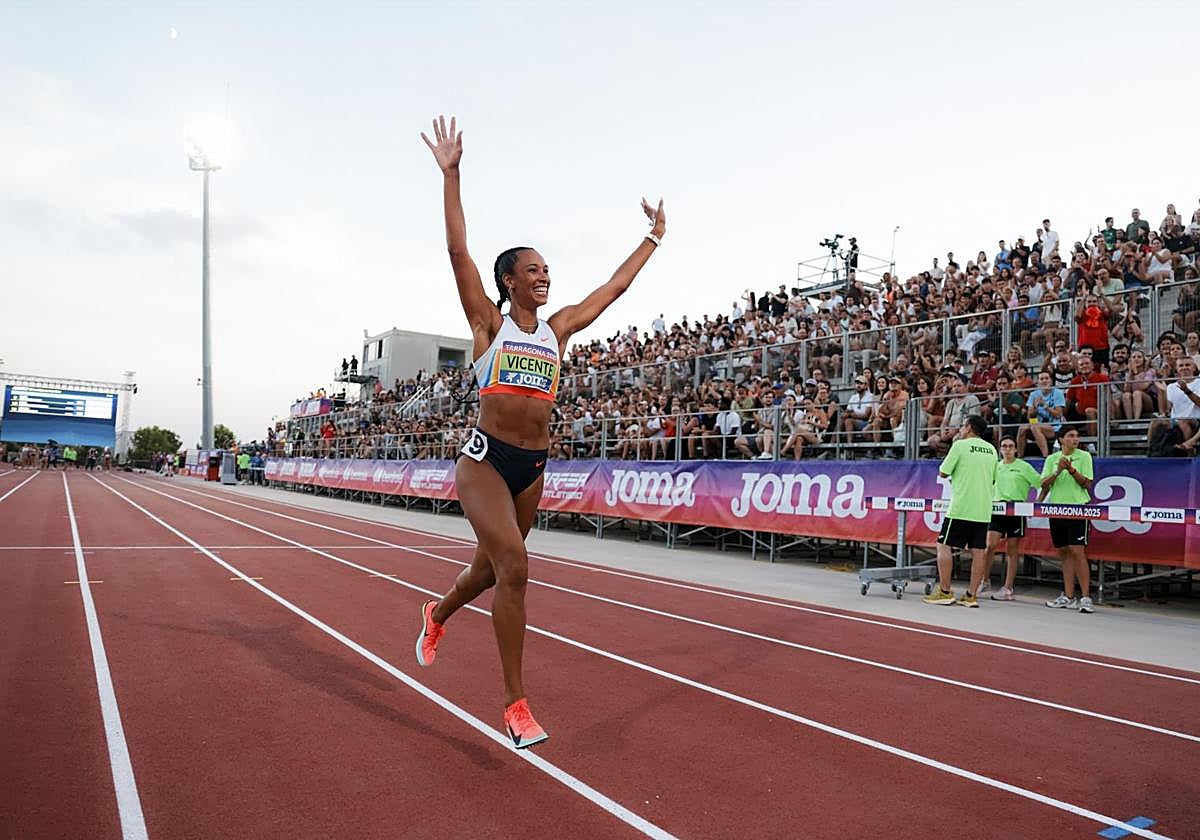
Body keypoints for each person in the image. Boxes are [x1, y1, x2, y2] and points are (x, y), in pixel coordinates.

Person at [414, 115, 665, 748]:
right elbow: (457, 252)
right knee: (517, 565)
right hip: (486, 462)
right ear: (509, 281)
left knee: (494, 573)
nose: (544, 276)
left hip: (533, 467)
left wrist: (653, 240)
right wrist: (452, 176)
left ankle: (437, 612)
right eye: (533, 270)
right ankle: (515, 704)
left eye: (547, 269)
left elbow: (614, 288)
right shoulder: (486, 326)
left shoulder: (557, 330)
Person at [924, 415, 997, 608]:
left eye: (963, 426)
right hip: (983, 508)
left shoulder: (960, 446)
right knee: (978, 552)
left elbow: (943, 472)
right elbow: (993, 479)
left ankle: (945, 591)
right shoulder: (991, 450)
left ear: (969, 428)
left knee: (943, 545)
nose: (961, 429)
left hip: (961, 506)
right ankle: (971, 596)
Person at [1039, 426, 1095, 613]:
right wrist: (1057, 471)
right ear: (1061, 440)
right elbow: (1044, 484)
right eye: (1071, 436)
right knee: (1063, 552)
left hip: (1077, 508)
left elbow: (1087, 484)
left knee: (1078, 551)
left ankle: (1086, 597)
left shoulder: (1084, 457)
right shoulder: (1051, 459)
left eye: (1077, 435)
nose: (1075, 439)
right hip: (1057, 509)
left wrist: (1071, 470)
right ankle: (1069, 596)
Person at [983, 438, 1040, 601]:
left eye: (1011, 446)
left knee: (1012, 550)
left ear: (1016, 449)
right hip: (997, 510)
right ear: (1000, 449)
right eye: (1004, 446)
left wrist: (1038, 502)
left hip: (1016, 510)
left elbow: (1040, 483)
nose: (1007, 449)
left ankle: (1008, 587)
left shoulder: (1024, 467)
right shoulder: (996, 466)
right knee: (989, 546)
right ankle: (984, 580)